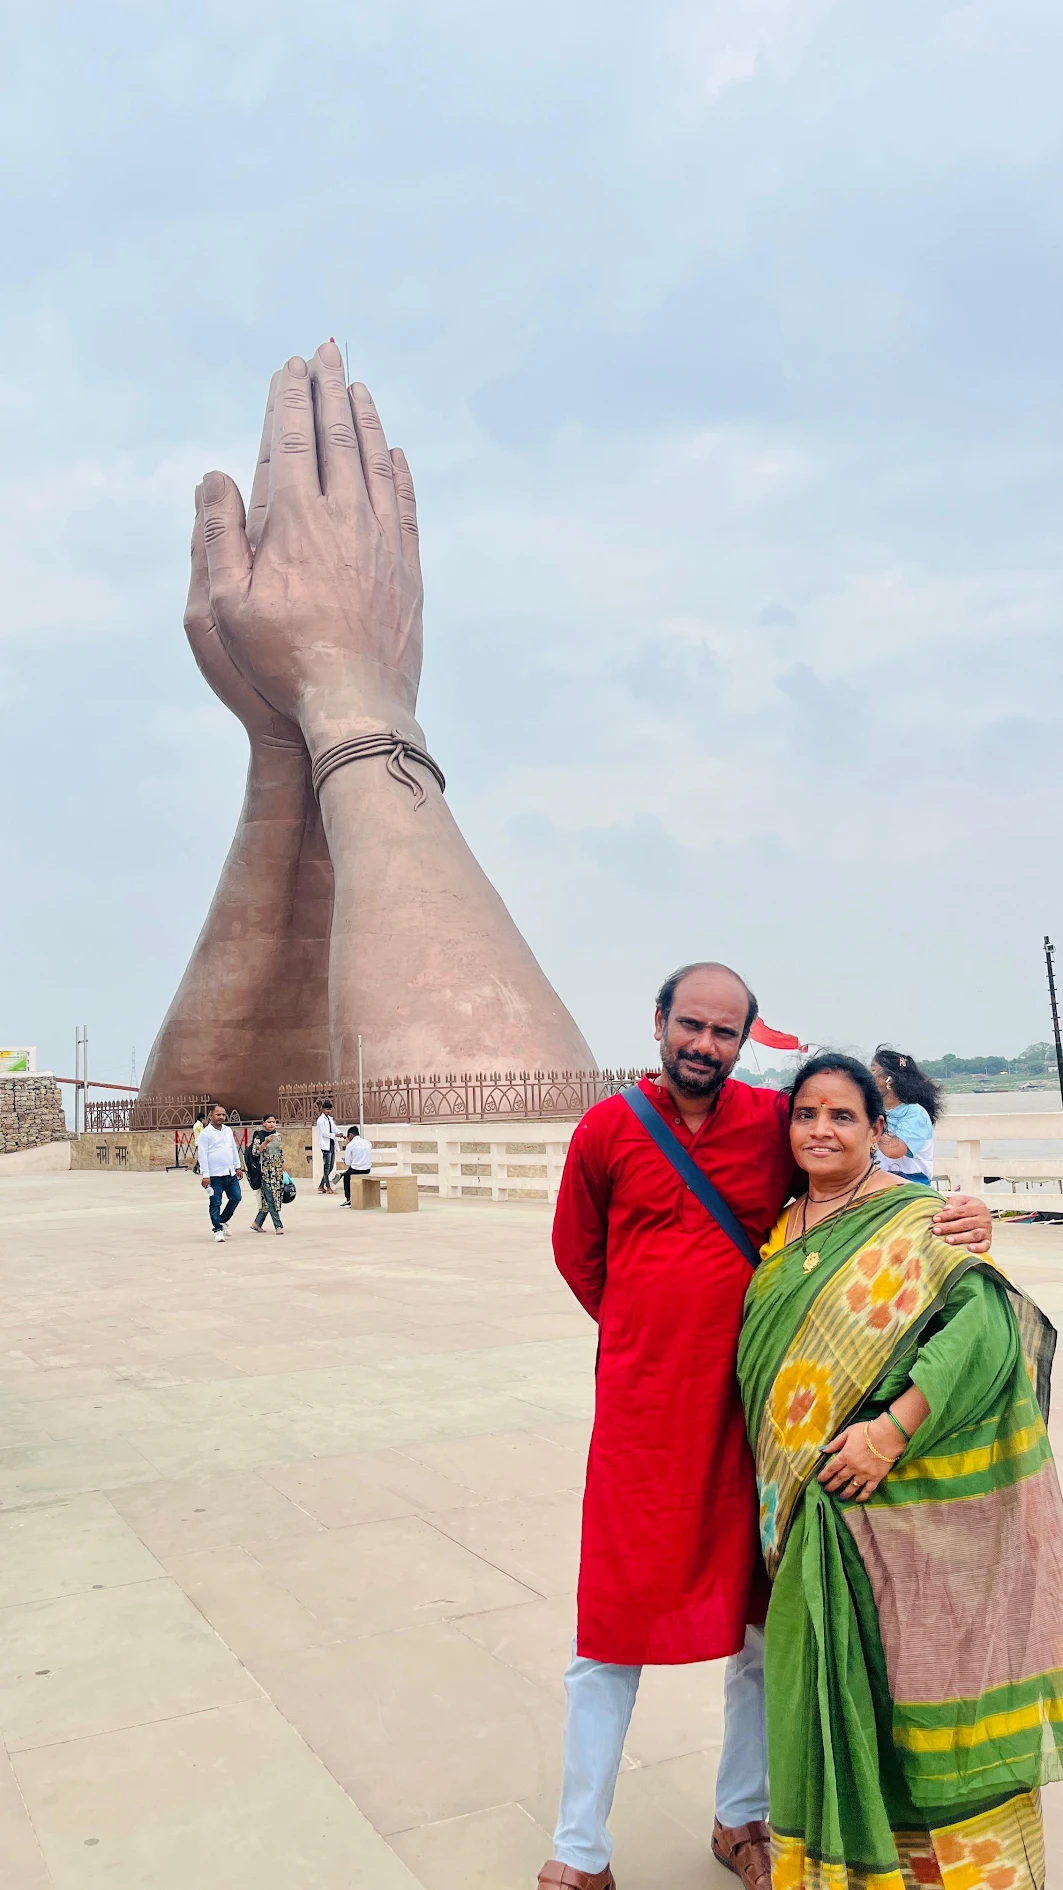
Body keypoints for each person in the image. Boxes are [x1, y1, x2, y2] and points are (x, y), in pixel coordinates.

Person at [541, 964, 993, 1890]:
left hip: (760, 1423)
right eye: (690, 1026)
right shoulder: (608, 1129)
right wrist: (649, 1339)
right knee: (609, 1631)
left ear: (745, 1040)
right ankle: (578, 1851)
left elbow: (858, 1186)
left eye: (723, 1032)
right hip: (642, 1423)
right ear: (659, 1022)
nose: (704, 1045)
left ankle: (740, 1815)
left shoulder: (767, 1124)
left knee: (761, 1628)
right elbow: (578, 1253)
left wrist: (966, 1211)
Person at [739, 1053, 1062, 1889]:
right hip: (810, 1516)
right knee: (820, 1693)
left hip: (899, 1507)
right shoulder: (777, 1230)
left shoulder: (919, 1220)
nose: (820, 1130)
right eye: (805, 1114)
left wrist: (888, 1432)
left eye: (842, 1116)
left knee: (915, 1696)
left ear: (876, 1130)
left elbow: (984, 1332)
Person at [871, 1045, 940, 1184]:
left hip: (911, 1186)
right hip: (879, 1182)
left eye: (873, 1070)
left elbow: (893, 1149)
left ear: (889, 1079)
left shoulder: (915, 1113)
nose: (868, 1077)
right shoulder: (878, 1110)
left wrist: (869, 1121)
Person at [197, 1102, 244, 1242]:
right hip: (214, 1176)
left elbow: (233, 1149)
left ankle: (221, 1221)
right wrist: (205, 1175)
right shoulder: (205, 1134)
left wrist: (238, 1166)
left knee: (236, 1197)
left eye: (223, 1114)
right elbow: (202, 1155)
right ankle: (217, 1230)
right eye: (218, 1114)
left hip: (230, 1173)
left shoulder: (228, 1130)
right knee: (215, 1202)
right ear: (211, 1115)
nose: (221, 1117)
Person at [248, 1114, 285, 1234]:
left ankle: (257, 1223)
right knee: (271, 1198)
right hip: (265, 1171)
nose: (272, 1124)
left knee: (271, 1198)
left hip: (277, 1171)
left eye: (274, 1122)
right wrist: (265, 1142)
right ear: (264, 1123)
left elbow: (280, 1153)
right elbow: (255, 1153)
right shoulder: (259, 1135)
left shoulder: (277, 1136)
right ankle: (278, 1225)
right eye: (269, 1122)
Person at [340, 1124, 373, 1205]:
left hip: (356, 1170)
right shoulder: (367, 1142)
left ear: (350, 1135)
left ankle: (348, 1200)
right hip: (367, 1169)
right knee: (348, 1172)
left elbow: (348, 1162)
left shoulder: (350, 1145)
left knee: (346, 1177)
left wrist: (347, 1144)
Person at [316, 1100, 338, 1193]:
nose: (328, 1111)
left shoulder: (329, 1119)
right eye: (327, 1109)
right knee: (327, 1166)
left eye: (329, 1109)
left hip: (331, 1144)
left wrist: (341, 1133)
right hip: (325, 1146)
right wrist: (334, 1135)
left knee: (331, 1166)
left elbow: (334, 1129)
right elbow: (324, 1133)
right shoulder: (321, 1120)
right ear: (323, 1109)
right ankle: (328, 1187)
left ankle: (321, 1185)